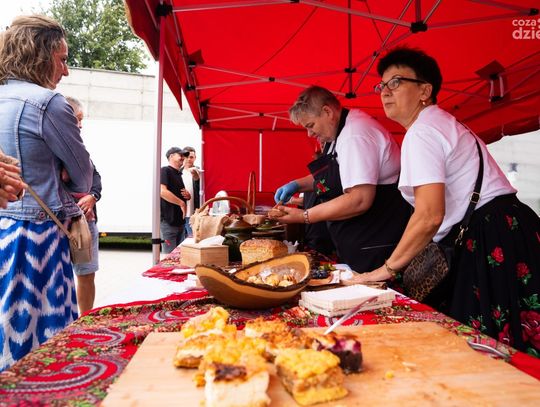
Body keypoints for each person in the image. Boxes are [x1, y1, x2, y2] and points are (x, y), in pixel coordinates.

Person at [355, 47, 540, 354]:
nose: (385, 92)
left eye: (396, 82)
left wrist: (386, 269)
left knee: (488, 347)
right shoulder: (442, 124)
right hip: (510, 226)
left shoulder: (423, 132)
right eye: (382, 85)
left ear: (425, 90)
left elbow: (429, 214)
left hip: (489, 236)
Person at [0, 15, 93, 371]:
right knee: (48, 348)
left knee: (10, 336)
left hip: (6, 229)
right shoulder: (48, 103)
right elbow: (83, 177)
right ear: (41, 55)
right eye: (62, 59)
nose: (65, 71)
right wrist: (63, 173)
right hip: (38, 236)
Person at [271, 86, 411, 272]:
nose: (309, 134)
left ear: (327, 112)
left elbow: (360, 199)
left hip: (375, 243)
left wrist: (304, 216)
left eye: (311, 125)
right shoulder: (339, 132)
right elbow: (336, 176)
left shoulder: (355, 136)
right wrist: (297, 184)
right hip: (357, 242)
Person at [65, 96, 102, 314]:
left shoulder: (81, 149)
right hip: (59, 221)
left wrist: (93, 196)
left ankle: (84, 318)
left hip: (85, 222)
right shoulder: (49, 146)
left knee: (86, 274)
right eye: (77, 119)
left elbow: (95, 177)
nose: (80, 125)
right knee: (60, 277)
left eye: (82, 120)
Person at [160, 146, 190, 254]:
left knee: (178, 257)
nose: (183, 158)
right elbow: (162, 192)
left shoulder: (178, 174)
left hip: (180, 223)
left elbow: (177, 193)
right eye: (180, 155)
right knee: (169, 257)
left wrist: (187, 196)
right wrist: (181, 203)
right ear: (171, 156)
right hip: (169, 222)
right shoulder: (165, 170)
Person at [181, 146, 201, 237]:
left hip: (194, 213)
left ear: (195, 158)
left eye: (191, 157)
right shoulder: (178, 172)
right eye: (187, 157)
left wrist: (196, 177)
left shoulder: (199, 171)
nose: (189, 159)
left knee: (192, 238)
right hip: (181, 213)